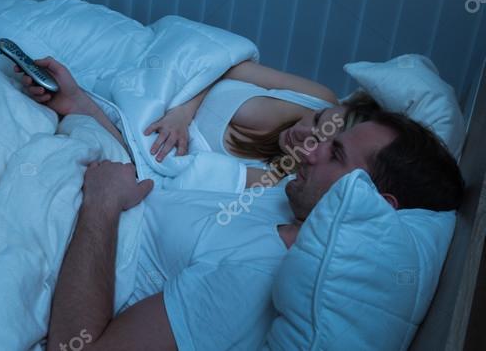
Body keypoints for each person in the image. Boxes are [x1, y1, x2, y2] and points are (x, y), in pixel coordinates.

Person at [30, 67, 464, 350]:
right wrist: (80, 106)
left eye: (334, 156)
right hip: (89, 184)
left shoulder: (252, 281)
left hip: (63, 238)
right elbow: (158, 178)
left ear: (371, 204)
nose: (310, 151)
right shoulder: (289, 198)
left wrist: (101, 206)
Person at [18, 57, 374, 185]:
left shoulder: (272, 179)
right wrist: (182, 113)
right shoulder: (322, 97)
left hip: (138, 115)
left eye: (322, 142)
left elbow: (161, 165)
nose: (305, 134)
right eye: (319, 121)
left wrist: (79, 102)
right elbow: (231, 64)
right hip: (166, 76)